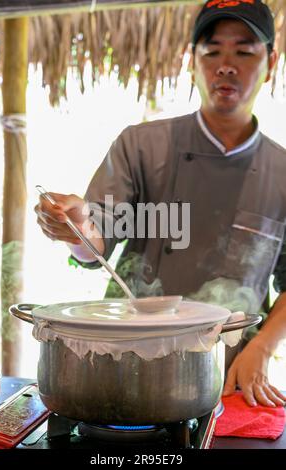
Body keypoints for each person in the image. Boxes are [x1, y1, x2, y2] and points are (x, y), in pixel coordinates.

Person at [35, 0, 286, 408]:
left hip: (226, 371)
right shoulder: (141, 145)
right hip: (126, 361)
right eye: (211, 51)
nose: (226, 65)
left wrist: (261, 349)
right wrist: (77, 224)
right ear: (192, 60)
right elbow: (95, 243)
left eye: (244, 51)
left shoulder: (282, 171)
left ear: (270, 62)